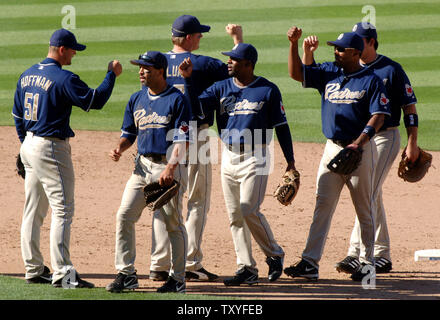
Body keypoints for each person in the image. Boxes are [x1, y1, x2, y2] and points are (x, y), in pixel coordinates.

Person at [12, 28, 122, 288]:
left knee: (33, 209)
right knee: (62, 209)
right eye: (73, 49)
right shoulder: (63, 78)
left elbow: (18, 117)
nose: (75, 53)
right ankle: (63, 273)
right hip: (50, 149)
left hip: (29, 142)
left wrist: (24, 146)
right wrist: (111, 75)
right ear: (62, 49)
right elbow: (95, 101)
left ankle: (33, 268)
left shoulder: (27, 74)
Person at [180, 43, 296, 286]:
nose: (228, 63)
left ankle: (275, 254)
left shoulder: (267, 90)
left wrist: (290, 162)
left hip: (257, 154)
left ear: (248, 64)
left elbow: (282, 127)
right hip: (229, 156)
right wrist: (188, 81)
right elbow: (196, 109)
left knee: (248, 209)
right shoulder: (220, 87)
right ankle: (246, 267)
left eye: (233, 60)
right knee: (235, 215)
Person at [283, 27, 391, 281]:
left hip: (361, 150)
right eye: (335, 48)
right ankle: (310, 262)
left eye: (341, 49)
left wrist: (360, 142)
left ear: (356, 53)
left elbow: (379, 115)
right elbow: (296, 73)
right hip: (332, 148)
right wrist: (294, 44)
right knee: (323, 204)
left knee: (364, 208)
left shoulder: (371, 80)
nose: (336, 52)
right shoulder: (329, 73)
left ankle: (367, 264)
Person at [149, 14, 243, 283]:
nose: (201, 37)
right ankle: (190, 262)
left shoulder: (156, 64)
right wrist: (237, 39)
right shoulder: (201, 63)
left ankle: (158, 263)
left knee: (162, 198)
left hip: (162, 136)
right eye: (199, 34)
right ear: (188, 38)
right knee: (197, 199)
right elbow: (238, 68)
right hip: (194, 135)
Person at [333, 22, 419, 275]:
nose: (352, 46)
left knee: (368, 192)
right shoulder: (350, 69)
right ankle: (382, 254)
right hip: (359, 140)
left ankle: (355, 254)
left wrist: (412, 143)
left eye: (358, 41)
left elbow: (410, 110)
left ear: (371, 42)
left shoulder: (391, 69)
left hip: (384, 138)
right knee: (373, 193)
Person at [105, 51, 192, 293]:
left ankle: (177, 279)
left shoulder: (177, 99)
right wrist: (119, 148)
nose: (141, 71)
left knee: (173, 223)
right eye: (139, 67)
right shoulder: (136, 98)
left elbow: (183, 140)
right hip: (141, 168)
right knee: (124, 215)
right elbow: (129, 133)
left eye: (146, 67)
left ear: (160, 70)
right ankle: (126, 273)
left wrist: (171, 168)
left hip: (167, 166)